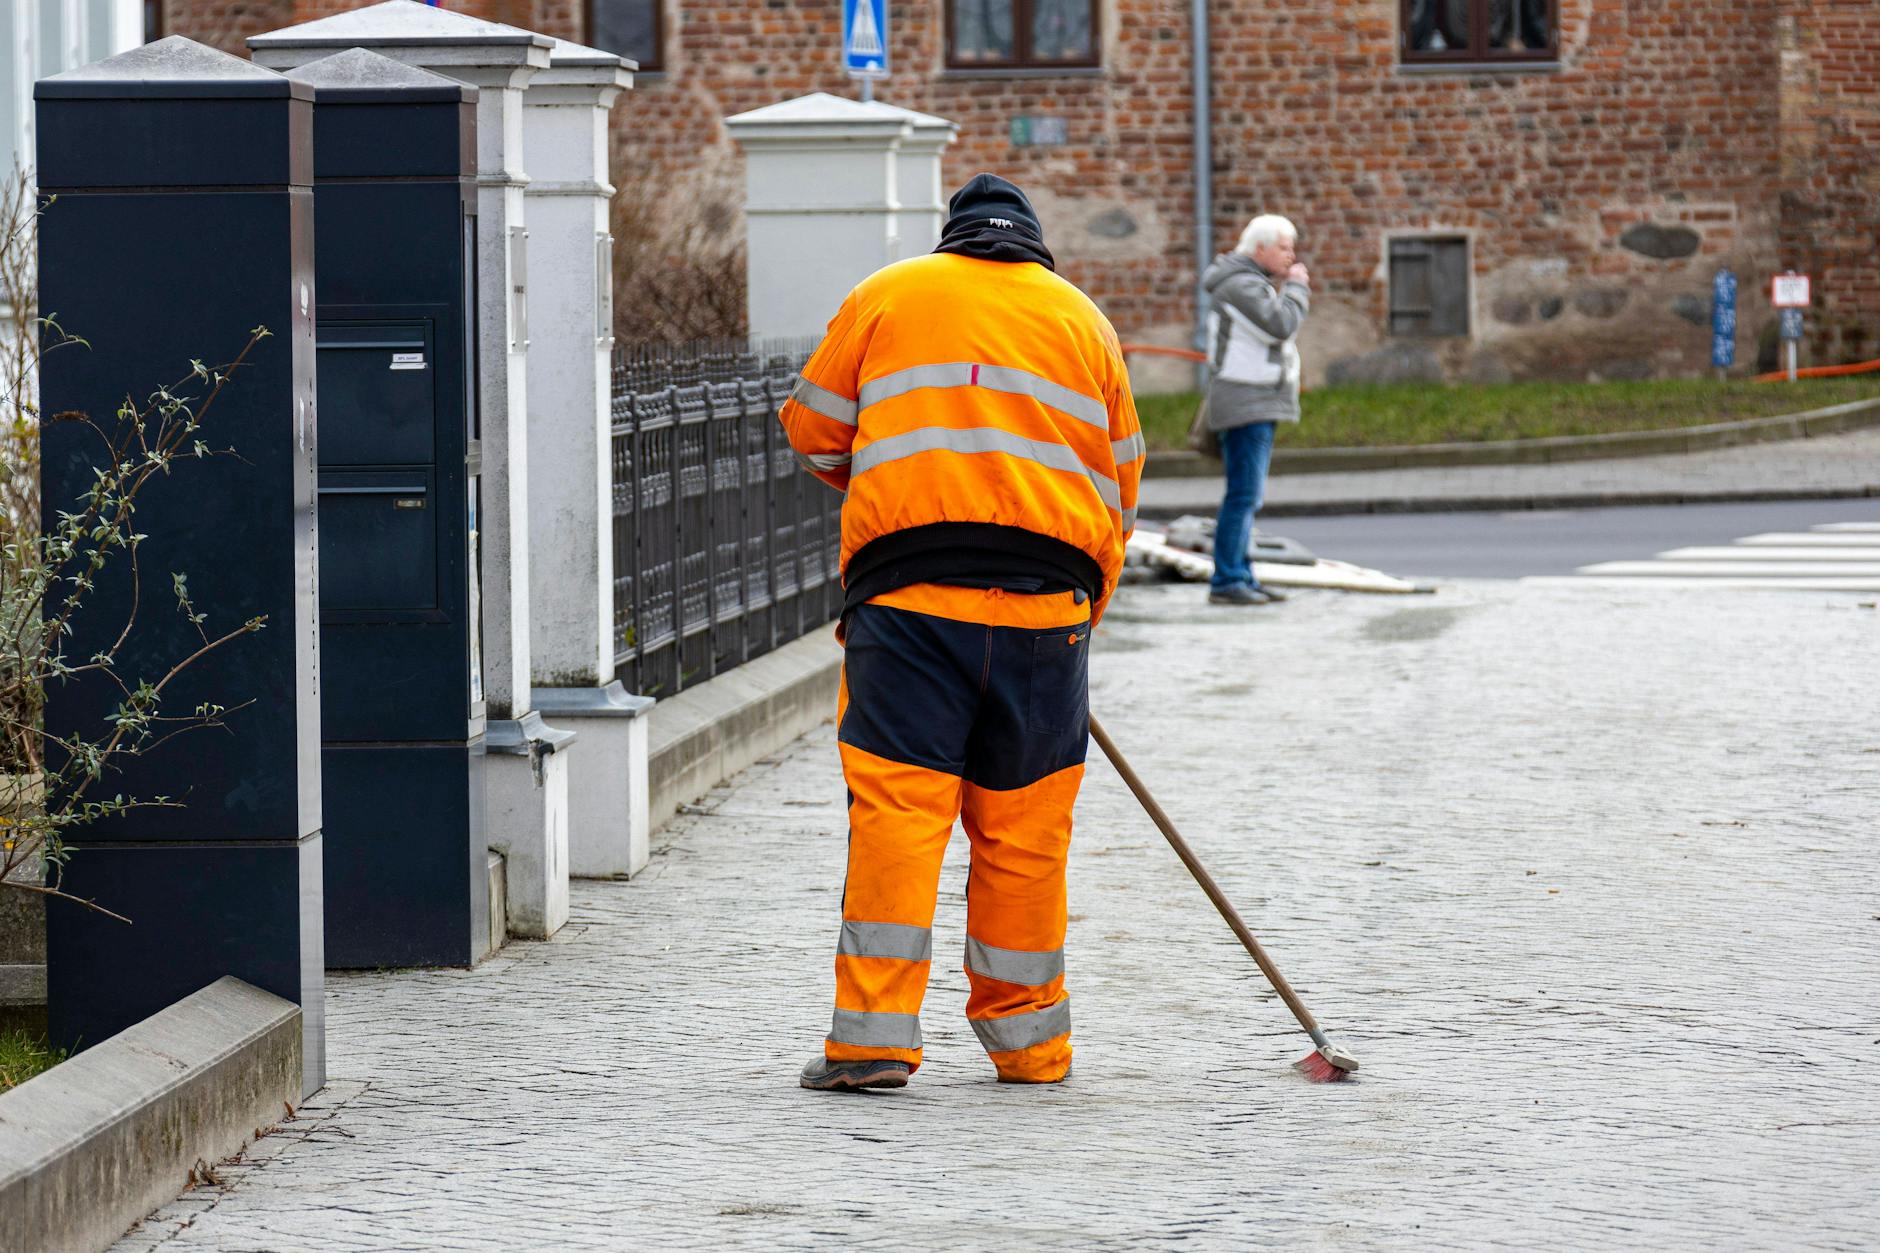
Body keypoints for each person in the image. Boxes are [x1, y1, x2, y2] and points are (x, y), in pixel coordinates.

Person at [779, 173, 1143, 1092]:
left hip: (906, 606)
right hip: (1044, 614)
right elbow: (1120, 482)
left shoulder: (887, 295)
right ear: (1032, 247)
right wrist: (1080, 604)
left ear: (954, 240)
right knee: (1025, 833)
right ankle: (1030, 1048)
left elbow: (813, 430)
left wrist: (893, 482)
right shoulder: (1083, 321)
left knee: (899, 817)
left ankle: (869, 1041)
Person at [1202, 214, 1310, 607]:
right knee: (1243, 496)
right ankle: (1227, 579)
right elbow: (1281, 324)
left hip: (1255, 401)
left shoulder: (1247, 283)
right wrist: (1297, 288)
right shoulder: (1241, 286)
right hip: (1246, 402)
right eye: (1284, 247)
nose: (1291, 255)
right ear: (1259, 248)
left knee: (1247, 495)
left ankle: (1242, 574)